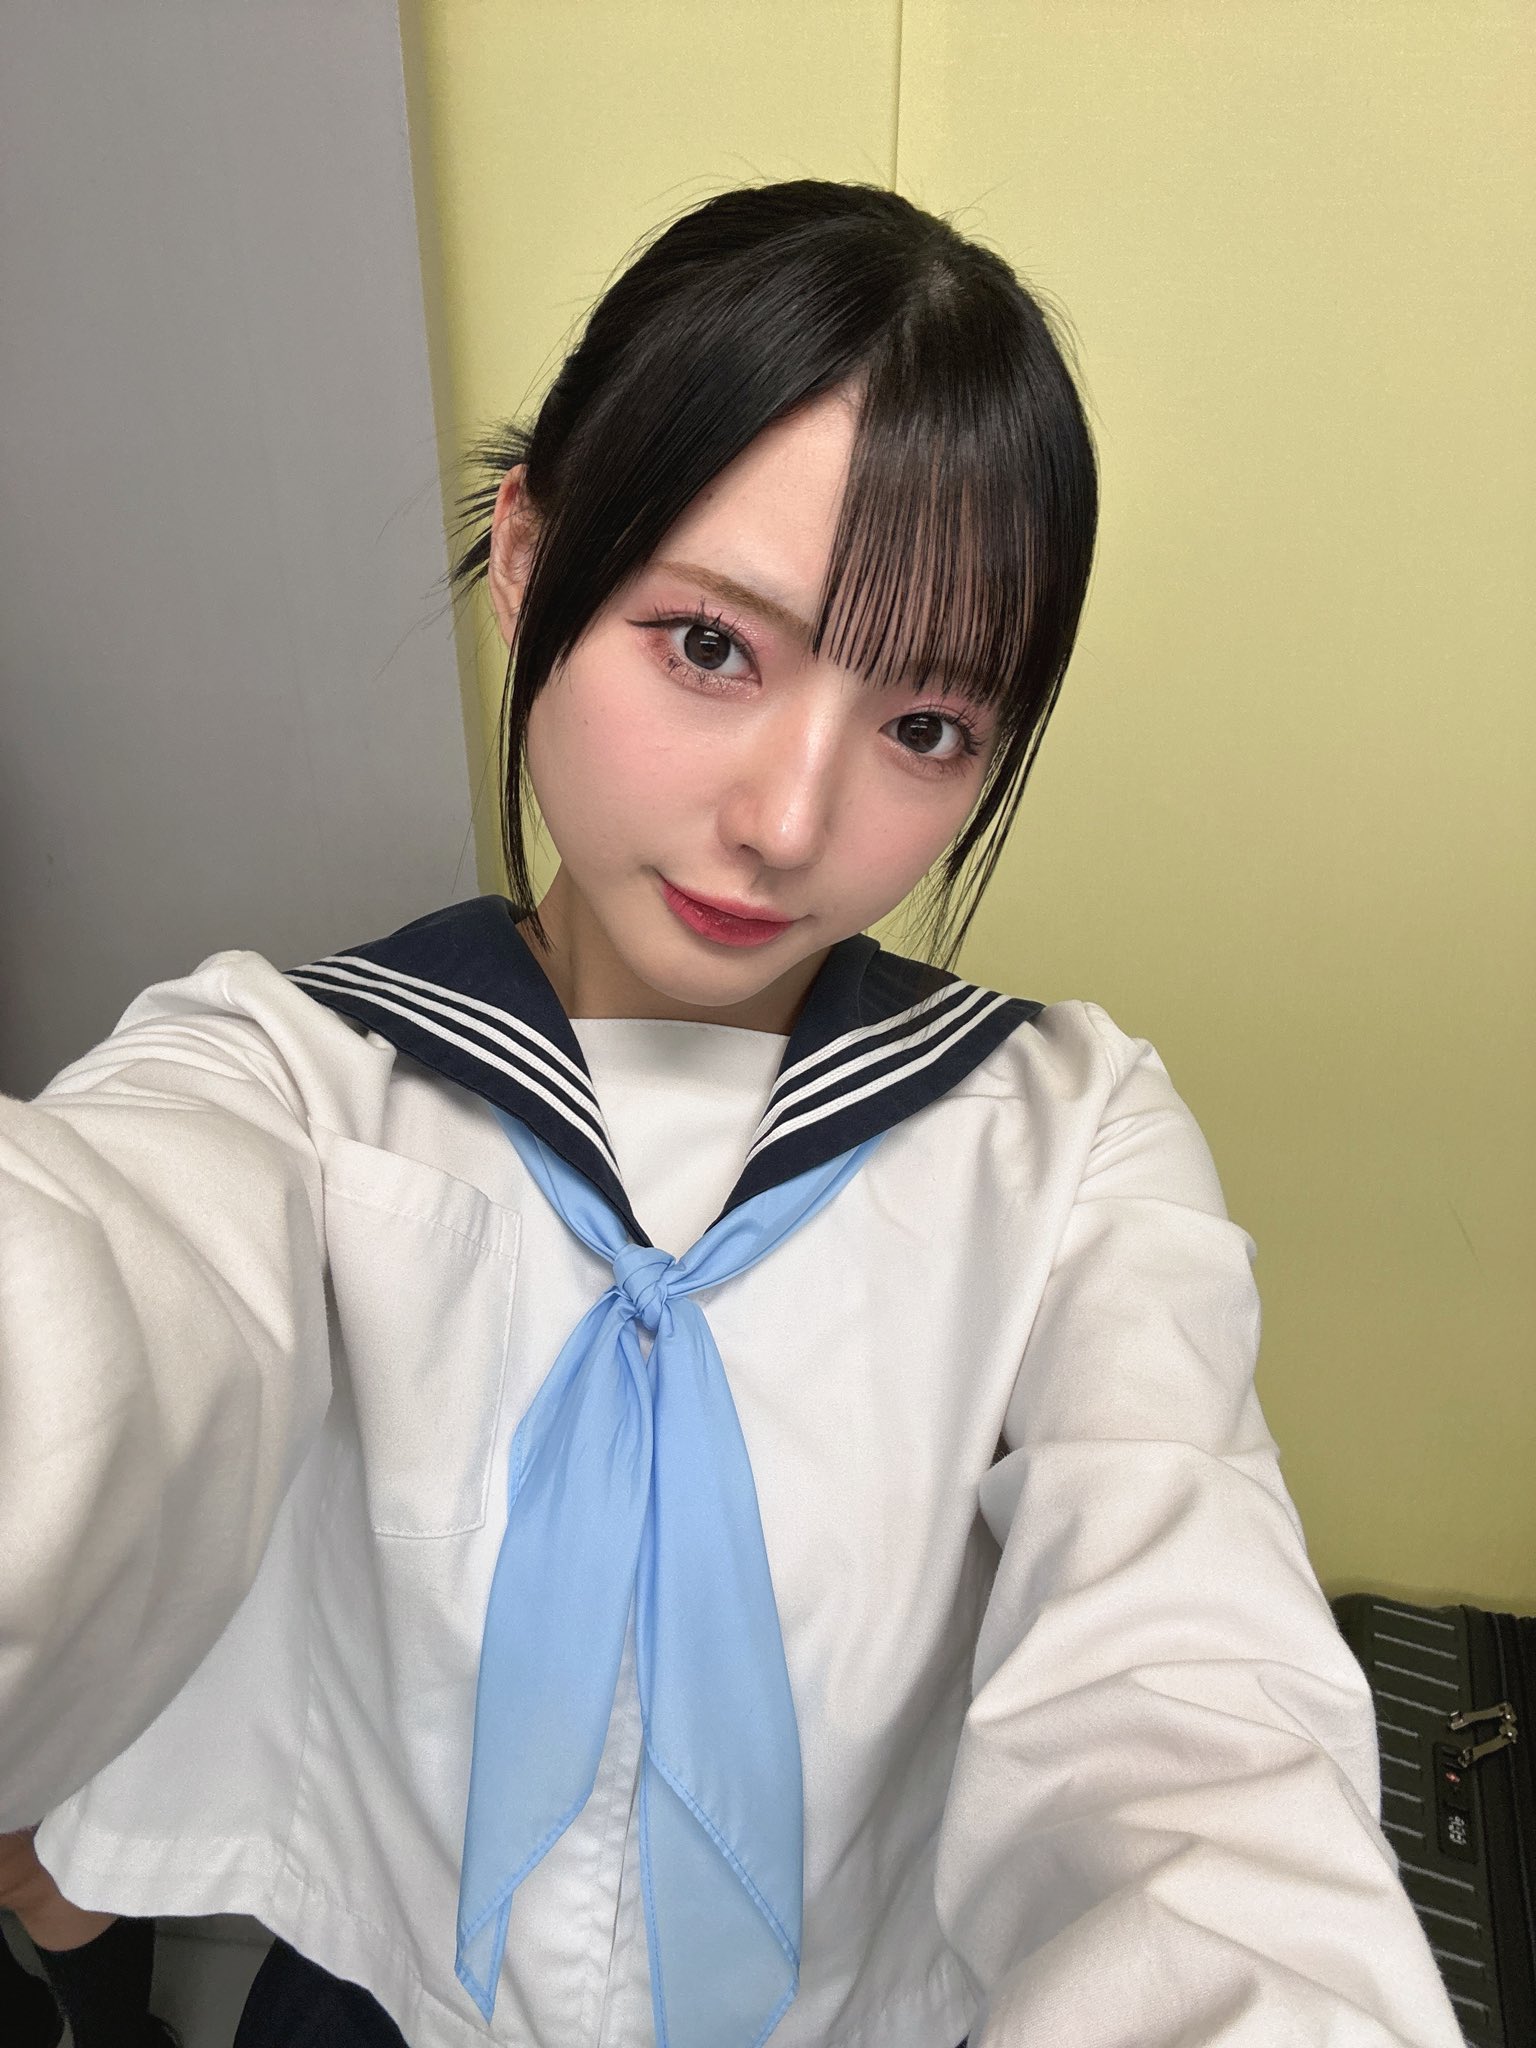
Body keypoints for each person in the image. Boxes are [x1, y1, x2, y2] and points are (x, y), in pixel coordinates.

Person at [0, 179, 1465, 2048]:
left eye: (925, 727)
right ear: (532, 553)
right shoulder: (288, 1079)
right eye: (711, 646)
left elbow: (1197, 1710)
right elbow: (79, 1327)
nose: (788, 822)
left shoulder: (1067, 1143)